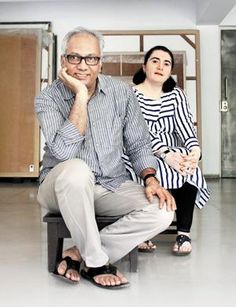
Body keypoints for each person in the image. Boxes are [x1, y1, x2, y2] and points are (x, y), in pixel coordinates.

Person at [35, 27, 176, 289]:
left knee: (162, 211)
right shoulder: (47, 99)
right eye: (75, 58)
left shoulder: (121, 93)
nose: (83, 66)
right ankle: (98, 263)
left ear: (101, 62)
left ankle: (80, 254)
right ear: (63, 60)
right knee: (77, 170)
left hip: (110, 184)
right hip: (59, 186)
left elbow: (138, 142)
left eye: (91, 59)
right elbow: (64, 153)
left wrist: (150, 178)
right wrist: (80, 95)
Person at [124, 45, 210, 255]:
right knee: (150, 168)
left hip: (171, 149)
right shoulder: (130, 94)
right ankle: (144, 232)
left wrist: (194, 153)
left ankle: (183, 233)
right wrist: (165, 154)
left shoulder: (176, 96)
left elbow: (187, 130)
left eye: (166, 63)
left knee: (190, 169)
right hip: (137, 149)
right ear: (144, 66)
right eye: (155, 61)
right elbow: (135, 134)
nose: (160, 66)